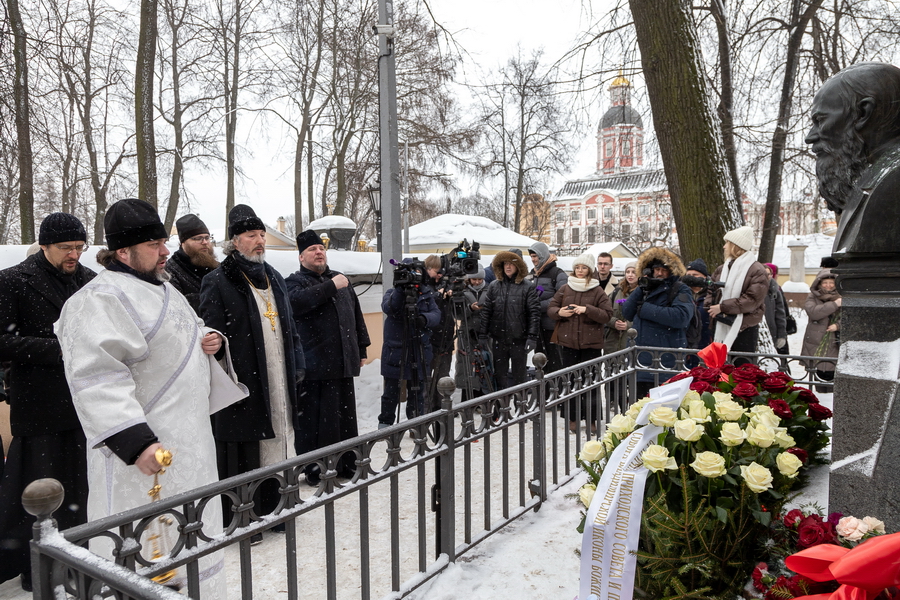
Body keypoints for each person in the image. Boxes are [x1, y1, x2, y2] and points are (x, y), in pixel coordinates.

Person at [55, 199, 225, 595]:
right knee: (145, 555)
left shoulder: (166, 289)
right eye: (154, 244)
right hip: (144, 453)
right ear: (123, 251)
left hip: (190, 441)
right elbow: (96, 375)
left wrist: (209, 340)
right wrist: (137, 443)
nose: (166, 251)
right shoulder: (100, 298)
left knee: (194, 543)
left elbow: (189, 329)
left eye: (163, 242)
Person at [0, 213, 95, 591]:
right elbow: (3, 343)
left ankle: (77, 559)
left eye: (78, 247)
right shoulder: (13, 281)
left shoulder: (90, 281)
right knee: (36, 490)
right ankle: (32, 565)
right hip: (38, 405)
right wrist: (61, 351)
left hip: (83, 403)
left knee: (78, 490)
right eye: (65, 248)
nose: (74, 254)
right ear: (44, 245)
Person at [199, 204, 305, 537]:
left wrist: (298, 362)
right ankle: (248, 518)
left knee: (282, 440)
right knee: (247, 449)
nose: (259, 241)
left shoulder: (273, 275)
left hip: (279, 373)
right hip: (245, 378)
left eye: (261, 235)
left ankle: (280, 508)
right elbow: (209, 327)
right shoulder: (217, 280)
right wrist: (212, 339)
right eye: (251, 235)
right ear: (235, 241)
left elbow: (290, 325)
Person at [286, 230, 369, 484]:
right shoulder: (295, 282)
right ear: (301, 258)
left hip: (342, 362)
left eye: (321, 249)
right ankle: (316, 469)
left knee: (344, 420)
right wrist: (331, 286)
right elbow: (296, 304)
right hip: (315, 367)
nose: (318, 252)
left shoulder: (340, 279)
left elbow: (355, 315)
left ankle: (346, 464)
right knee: (316, 423)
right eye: (312, 250)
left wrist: (362, 348)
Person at [805, 63, 900, 257]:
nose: (810, 136)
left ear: (863, 113)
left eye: (821, 120)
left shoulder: (891, 185)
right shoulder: (871, 182)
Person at [548, 252, 613, 431]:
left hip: (591, 344)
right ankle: (572, 418)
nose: (580, 271)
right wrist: (559, 312)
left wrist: (587, 309)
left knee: (590, 382)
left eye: (584, 267)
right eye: (577, 267)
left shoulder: (597, 290)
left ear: (590, 270)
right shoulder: (565, 288)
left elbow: (607, 315)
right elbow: (551, 307)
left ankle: (592, 420)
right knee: (570, 382)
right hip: (568, 343)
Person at [622, 247, 694, 399]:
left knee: (664, 411)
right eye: (656, 270)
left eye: (663, 270)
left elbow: (681, 317)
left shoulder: (680, 289)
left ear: (671, 271)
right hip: (640, 362)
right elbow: (627, 312)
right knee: (639, 411)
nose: (659, 273)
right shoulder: (645, 288)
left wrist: (646, 309)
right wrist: (641, 288)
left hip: (666, 363)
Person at [378, 261, 441, 427]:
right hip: (396, 352)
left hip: (419, 350)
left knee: (418, 393)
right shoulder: (392, 293)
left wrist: (424, 319)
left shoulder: (426, 295)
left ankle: (416, 424)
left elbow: (436, 315)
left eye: (416, 272)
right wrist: (400, 288)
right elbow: (390, 307)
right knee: (391, 393)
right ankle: (385, 425)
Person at [478, 250, 541, 389]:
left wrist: (532, 337)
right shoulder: (494, 285)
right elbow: (487, 311)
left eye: (511, 264)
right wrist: (483, 334)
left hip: (519, 339)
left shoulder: (527, 286)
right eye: (505, 263)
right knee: (500, 376)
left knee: (520, 377)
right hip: (499, 339)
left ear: (518, 266)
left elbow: (534, 313)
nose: (508, 267)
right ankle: (501, 408)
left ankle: (521, 408)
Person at [706, 226, 768, 359]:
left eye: (727, 243)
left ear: (736, 245)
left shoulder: (757, 270)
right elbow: (711, 290)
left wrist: (722, 307)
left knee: (742, 370)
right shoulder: (722, 269)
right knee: (719, 367)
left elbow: (752, 300)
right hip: (720, 322)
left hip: (744, 327)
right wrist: (710, 306)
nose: (724, 247)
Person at [164, 213, 219, 314]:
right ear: (183, 243)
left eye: (207, 237)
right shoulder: (170, 272)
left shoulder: (217, 267)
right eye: (198, 238)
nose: (205, 242)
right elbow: (176, 309)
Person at [527, 242, 567, 373]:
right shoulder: (534, 274)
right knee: (541, 363)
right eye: (532, 256)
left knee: (555, 363)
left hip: (553, 327)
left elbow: (561, 298)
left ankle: (556, 391)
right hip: (538, 327)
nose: (533, 260)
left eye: (535, 256)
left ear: (543, 256)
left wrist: (538, 306)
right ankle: (543, 391)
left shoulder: (558, 274)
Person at [454, 269, 492, 401]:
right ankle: (468, 396)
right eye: (474, 279)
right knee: (466, 365)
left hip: (485, 333)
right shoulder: (462, 292)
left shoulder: (490, 290)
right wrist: (470, 309)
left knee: (485, 363)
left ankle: (484, 396)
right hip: (467, 333)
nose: (476, 282)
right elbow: (457, 314)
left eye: (479, 280)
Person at [424, 255, 455, 411]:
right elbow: (425, 306)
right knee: (427, 382)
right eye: (437, 271)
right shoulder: (422, 285)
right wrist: (438, 296)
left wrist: (450, 295)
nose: (439, 275)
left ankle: (441, 413)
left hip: (446, 341)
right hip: (429, 341)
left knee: (443, 379)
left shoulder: (447, 284)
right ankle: (425, 416)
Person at [801, 270, 841, 390]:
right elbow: (814, 312)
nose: (828, 285)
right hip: (816, 339)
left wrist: (838, 325)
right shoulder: (813, 296)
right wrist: (835, 305)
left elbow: (850, 316)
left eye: (831, 282)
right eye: (825, 282)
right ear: (819, 283)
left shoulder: (843, 296)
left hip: (835, 339)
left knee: (833, 371)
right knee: (817, 371)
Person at [603, 261, 639, 354]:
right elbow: (605, 312)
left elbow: (645, 318)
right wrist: (613, 322)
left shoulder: (643, 293)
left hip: (631, 342)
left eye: (634, 272)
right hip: (612, 342)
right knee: (610, 367)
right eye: (628, 272)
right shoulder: (617, 291)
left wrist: (629, 325)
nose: (630, 275)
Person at [683, 258, 713, 352]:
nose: (691, 278)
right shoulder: (681, 293)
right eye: (688, 275)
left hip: (706, 342)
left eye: (695, 275)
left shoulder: (711, 294)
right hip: (687, 343)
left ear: (704, 277)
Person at [763, 263, 790, 355]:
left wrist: (781, 335)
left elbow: (780, 315)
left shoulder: (775, 291)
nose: (767, 276)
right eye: (764, 274)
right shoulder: (753, 290)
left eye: (769, 274)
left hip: (771, 330)